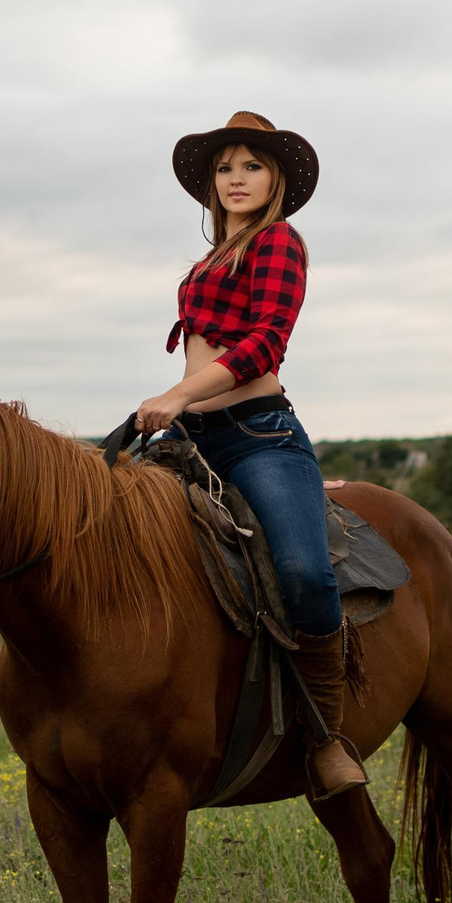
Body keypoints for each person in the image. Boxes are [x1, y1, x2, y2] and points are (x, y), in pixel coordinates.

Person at [133, 111, 364, 799]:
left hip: (259, 434)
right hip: (189, 440)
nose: (236, 177)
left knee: (303, 570)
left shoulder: (280, 243)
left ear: (277, 180)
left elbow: (264, 345)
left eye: (252, 165)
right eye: (226, 166)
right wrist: (175, 410)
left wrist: (177, 393)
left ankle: (326, 735)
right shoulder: (206, 260)